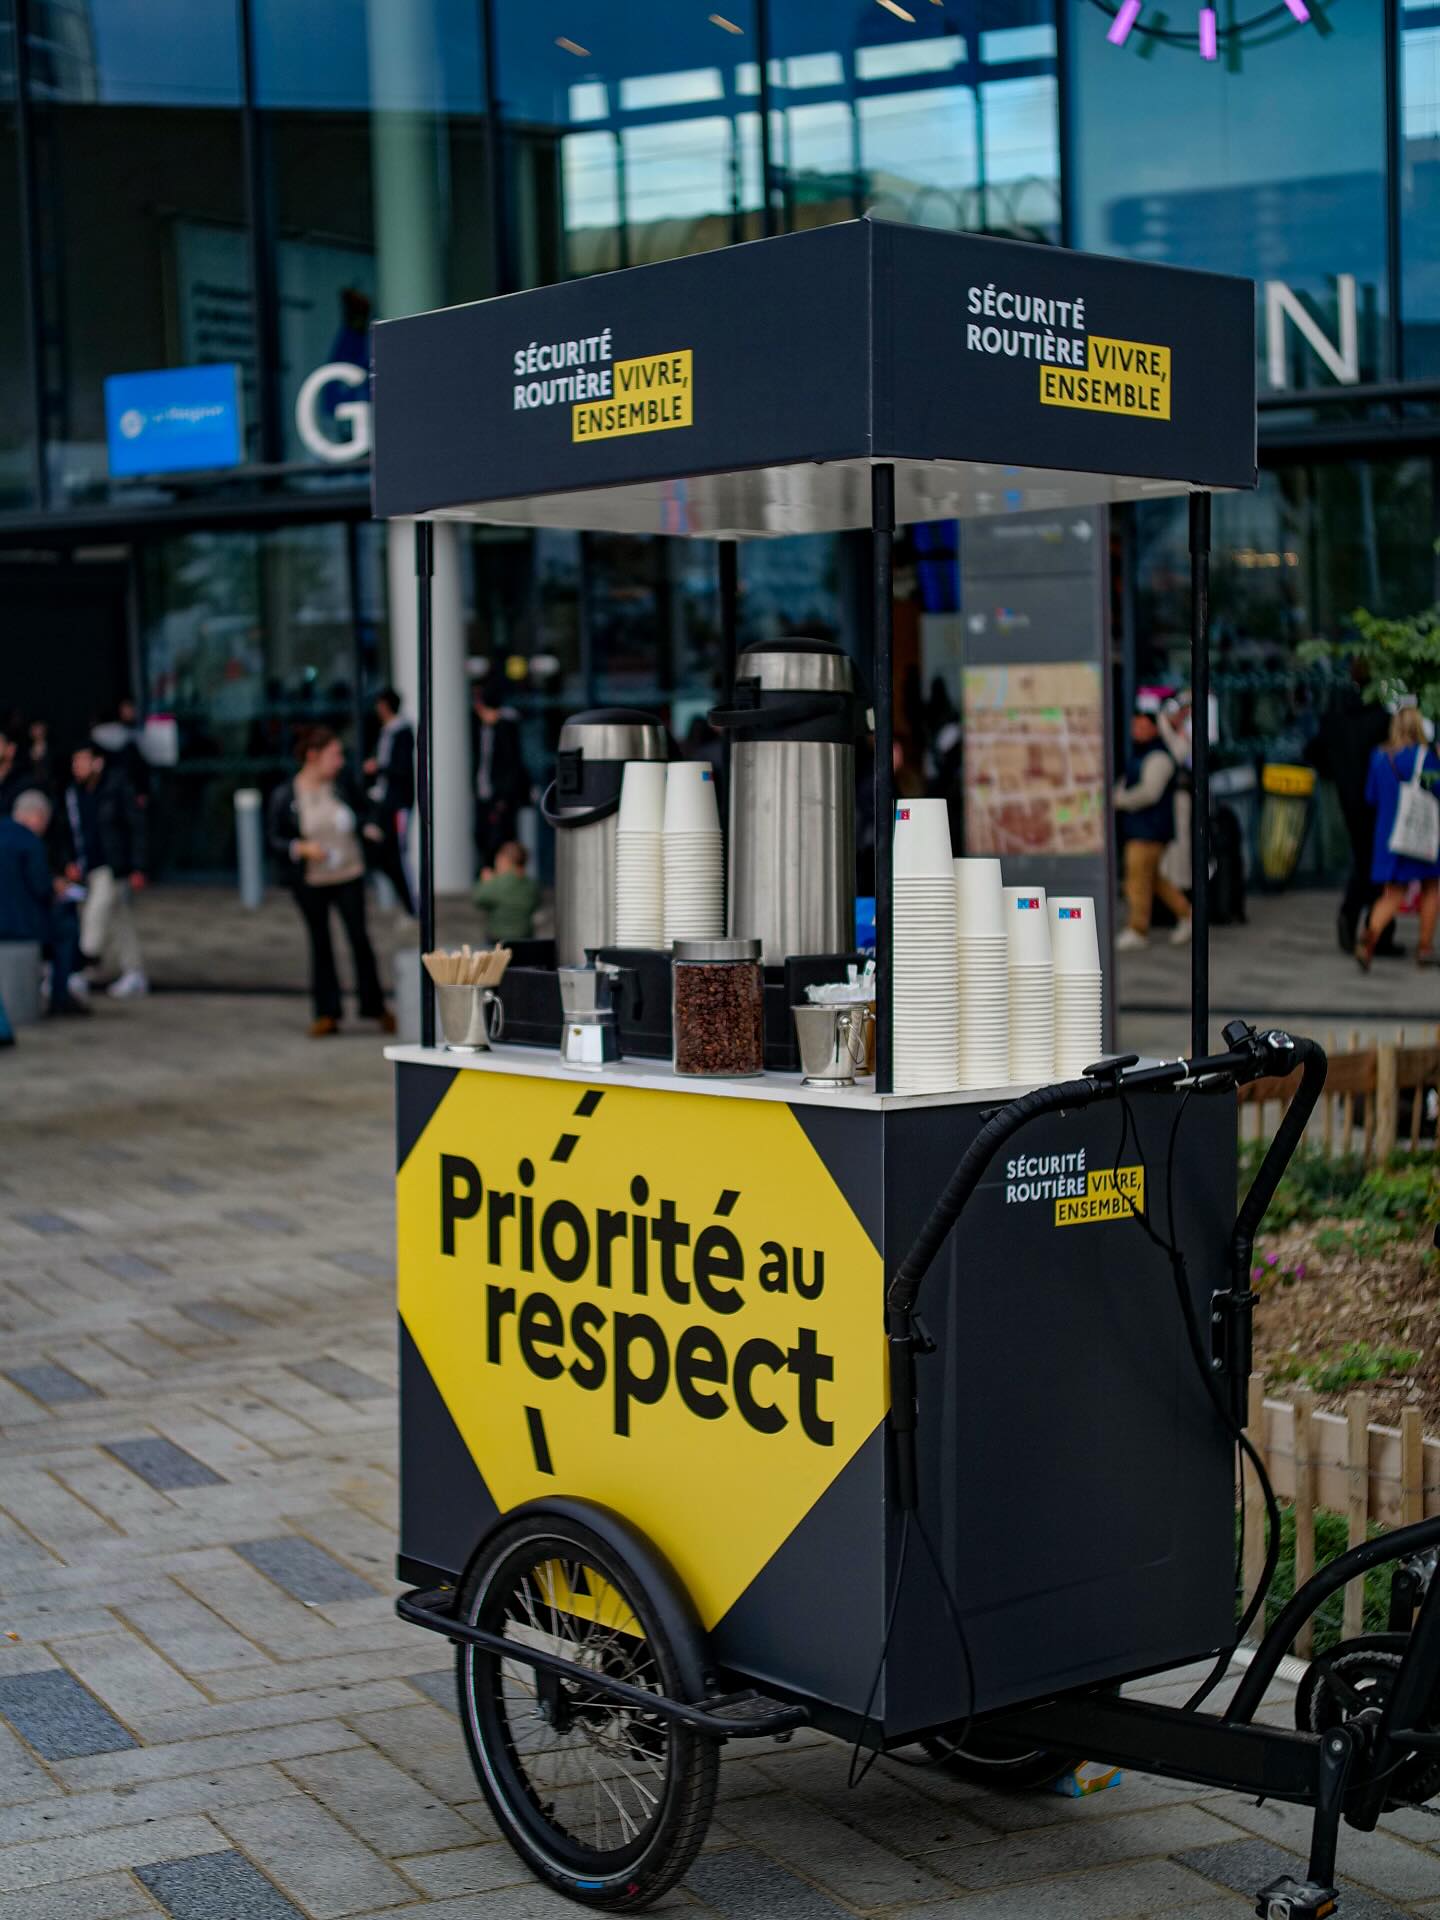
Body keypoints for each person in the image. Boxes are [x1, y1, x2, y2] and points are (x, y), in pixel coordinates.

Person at [267, 726, 393, 1037]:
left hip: (348, 872)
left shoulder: (342, 785)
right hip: (311, 879)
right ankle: (327, 1012)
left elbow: (365, 813)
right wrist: (301, 848)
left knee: (360, 939)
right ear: (313, 756)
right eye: (333, 755)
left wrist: (366, 828)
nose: (339, 761)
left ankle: (374, 1006)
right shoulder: (287, 795)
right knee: (320, 942)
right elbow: (275, 839)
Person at [1306, 664, 1396, 955]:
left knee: (1366, 858)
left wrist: (1335, 772)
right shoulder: (1381, 717)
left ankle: (1366, 923)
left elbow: (1313, 751)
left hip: (1347, 797)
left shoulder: (1335, 715)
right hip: (1379, 799)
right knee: (1376, 861)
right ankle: (1373, 929)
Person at [1355, 706, 1440, 971]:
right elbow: (1435, 791)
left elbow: (1371, 796)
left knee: (1392, 894)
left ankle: (1368, 940)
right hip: (1419, 832)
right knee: (1431, 888)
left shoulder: (1379, 756)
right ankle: (1424, 948)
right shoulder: (1426, 756)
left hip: (1388, 838)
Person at [65, 739, 148, 998]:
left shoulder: (115, 788)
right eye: (75, 762)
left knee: (95, 913)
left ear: (97, 762)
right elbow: (72, 832)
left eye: (82, 760)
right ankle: (134, 972)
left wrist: (137, 866)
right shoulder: (74, 794)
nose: (77, 767)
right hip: (87, 867)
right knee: (120, 918)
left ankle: (81, 967)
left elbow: (135, 827)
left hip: (112, 866)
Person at [1113, 698, 1192, 951]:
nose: (1136, 730)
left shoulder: (1158, 756)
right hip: (1143, 828)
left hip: (1149, 829)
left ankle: (1138, 928)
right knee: (1154, 879)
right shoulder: (1144, 754)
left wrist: (1120, 800)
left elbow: (1149, 792)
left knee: (1137, 880)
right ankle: (1187, 915)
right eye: (1134, 726)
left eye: (1142, 725)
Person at [0, 791, 85, 1015]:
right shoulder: (30, 842)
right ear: (36, 816)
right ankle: (59, 996)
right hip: (20, 924)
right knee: (66, 928)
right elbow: (41, 888)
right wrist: (57, 887)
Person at [363, 686, 416, 915]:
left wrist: (379, 767)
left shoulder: (402, 732)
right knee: (383, 850)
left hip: (398, 802)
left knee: (398, 854)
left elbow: (402, 768)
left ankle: (413, 906)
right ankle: (406, 904)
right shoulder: (385, 731)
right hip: (384, 800)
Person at [471, 673, 529, 867]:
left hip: (500, 797)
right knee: (482, 837)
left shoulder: (505, 728)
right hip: (484, 794)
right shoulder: (480, 728)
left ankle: (500, 877)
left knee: (499, 839)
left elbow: (512, 764)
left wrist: (504, 796)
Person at [471, 840, 540, 942]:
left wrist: (485, 882)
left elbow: (478, 899)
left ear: (504, 859)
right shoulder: (530, 884)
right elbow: (536, 904)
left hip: (498, 939)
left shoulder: (497, 883)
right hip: (526, 937)